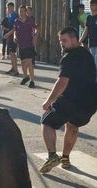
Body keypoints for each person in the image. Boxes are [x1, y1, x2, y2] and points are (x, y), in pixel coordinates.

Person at [39, 26, 97, 174]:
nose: (62, 44)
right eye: (60, 41)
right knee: (72, 125)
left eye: (64, 40)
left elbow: (62, 82)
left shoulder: (69, 57)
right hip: (90, 104)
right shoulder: (87, 54)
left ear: (74, 39)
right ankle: (65, 158)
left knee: (47, 122)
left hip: (72, 100)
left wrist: (49, 101)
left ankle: (52, 156)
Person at [13, 5, 37, 88]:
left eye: (23, 11)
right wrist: (15, 37)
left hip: (29, 44)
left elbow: (37, 28)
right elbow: (15, 31)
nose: (22, 13)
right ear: (19, 12)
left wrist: (35, 37)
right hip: (21, 45)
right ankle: (26, 77)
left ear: (26, 11)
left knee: (30, 63)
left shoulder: (30, 20)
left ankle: (32, 81)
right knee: (23, 64)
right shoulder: (16, 21)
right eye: (20, 11)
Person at [79, 0, 97, 81]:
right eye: (91, 5)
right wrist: (79, 41)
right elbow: (86, 31)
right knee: (92, 63)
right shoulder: (89, 17)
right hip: (92, 44)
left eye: (93, 5)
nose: (92, 7)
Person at [3, 2, 19, 76]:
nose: (7, 9)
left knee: (13, 53)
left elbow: (15, 28)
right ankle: (13, 68)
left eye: (8, 7)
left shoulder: (15, 15)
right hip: (10, 36)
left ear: (12, 7)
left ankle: (16, 70)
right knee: (10, 52)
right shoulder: (9, 15)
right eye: (7, 8)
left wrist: (8, 34)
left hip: (13, 36)